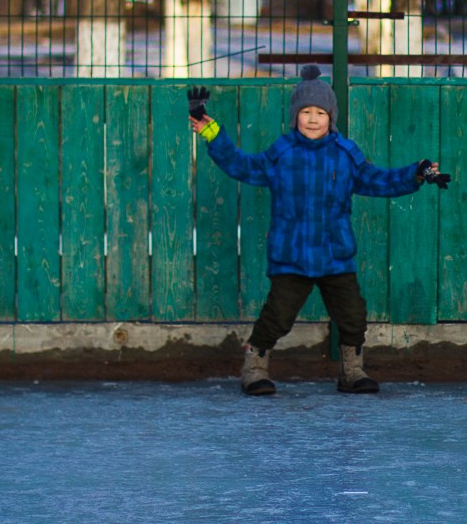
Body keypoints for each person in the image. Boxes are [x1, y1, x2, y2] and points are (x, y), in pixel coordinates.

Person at [187, 66, 449, 396]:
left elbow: (377, 179)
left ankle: (352, 371)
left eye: (320, 113)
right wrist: (213, 133)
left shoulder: (345, 154)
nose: (313, 119)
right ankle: (254, 367)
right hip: (291, 255)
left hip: (334, 254)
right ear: (295, 116)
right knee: (277, 317)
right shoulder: (281, 153)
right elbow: (241, 164)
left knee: (353, 316)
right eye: (306, 112)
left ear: (331, 117)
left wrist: (417, 174)